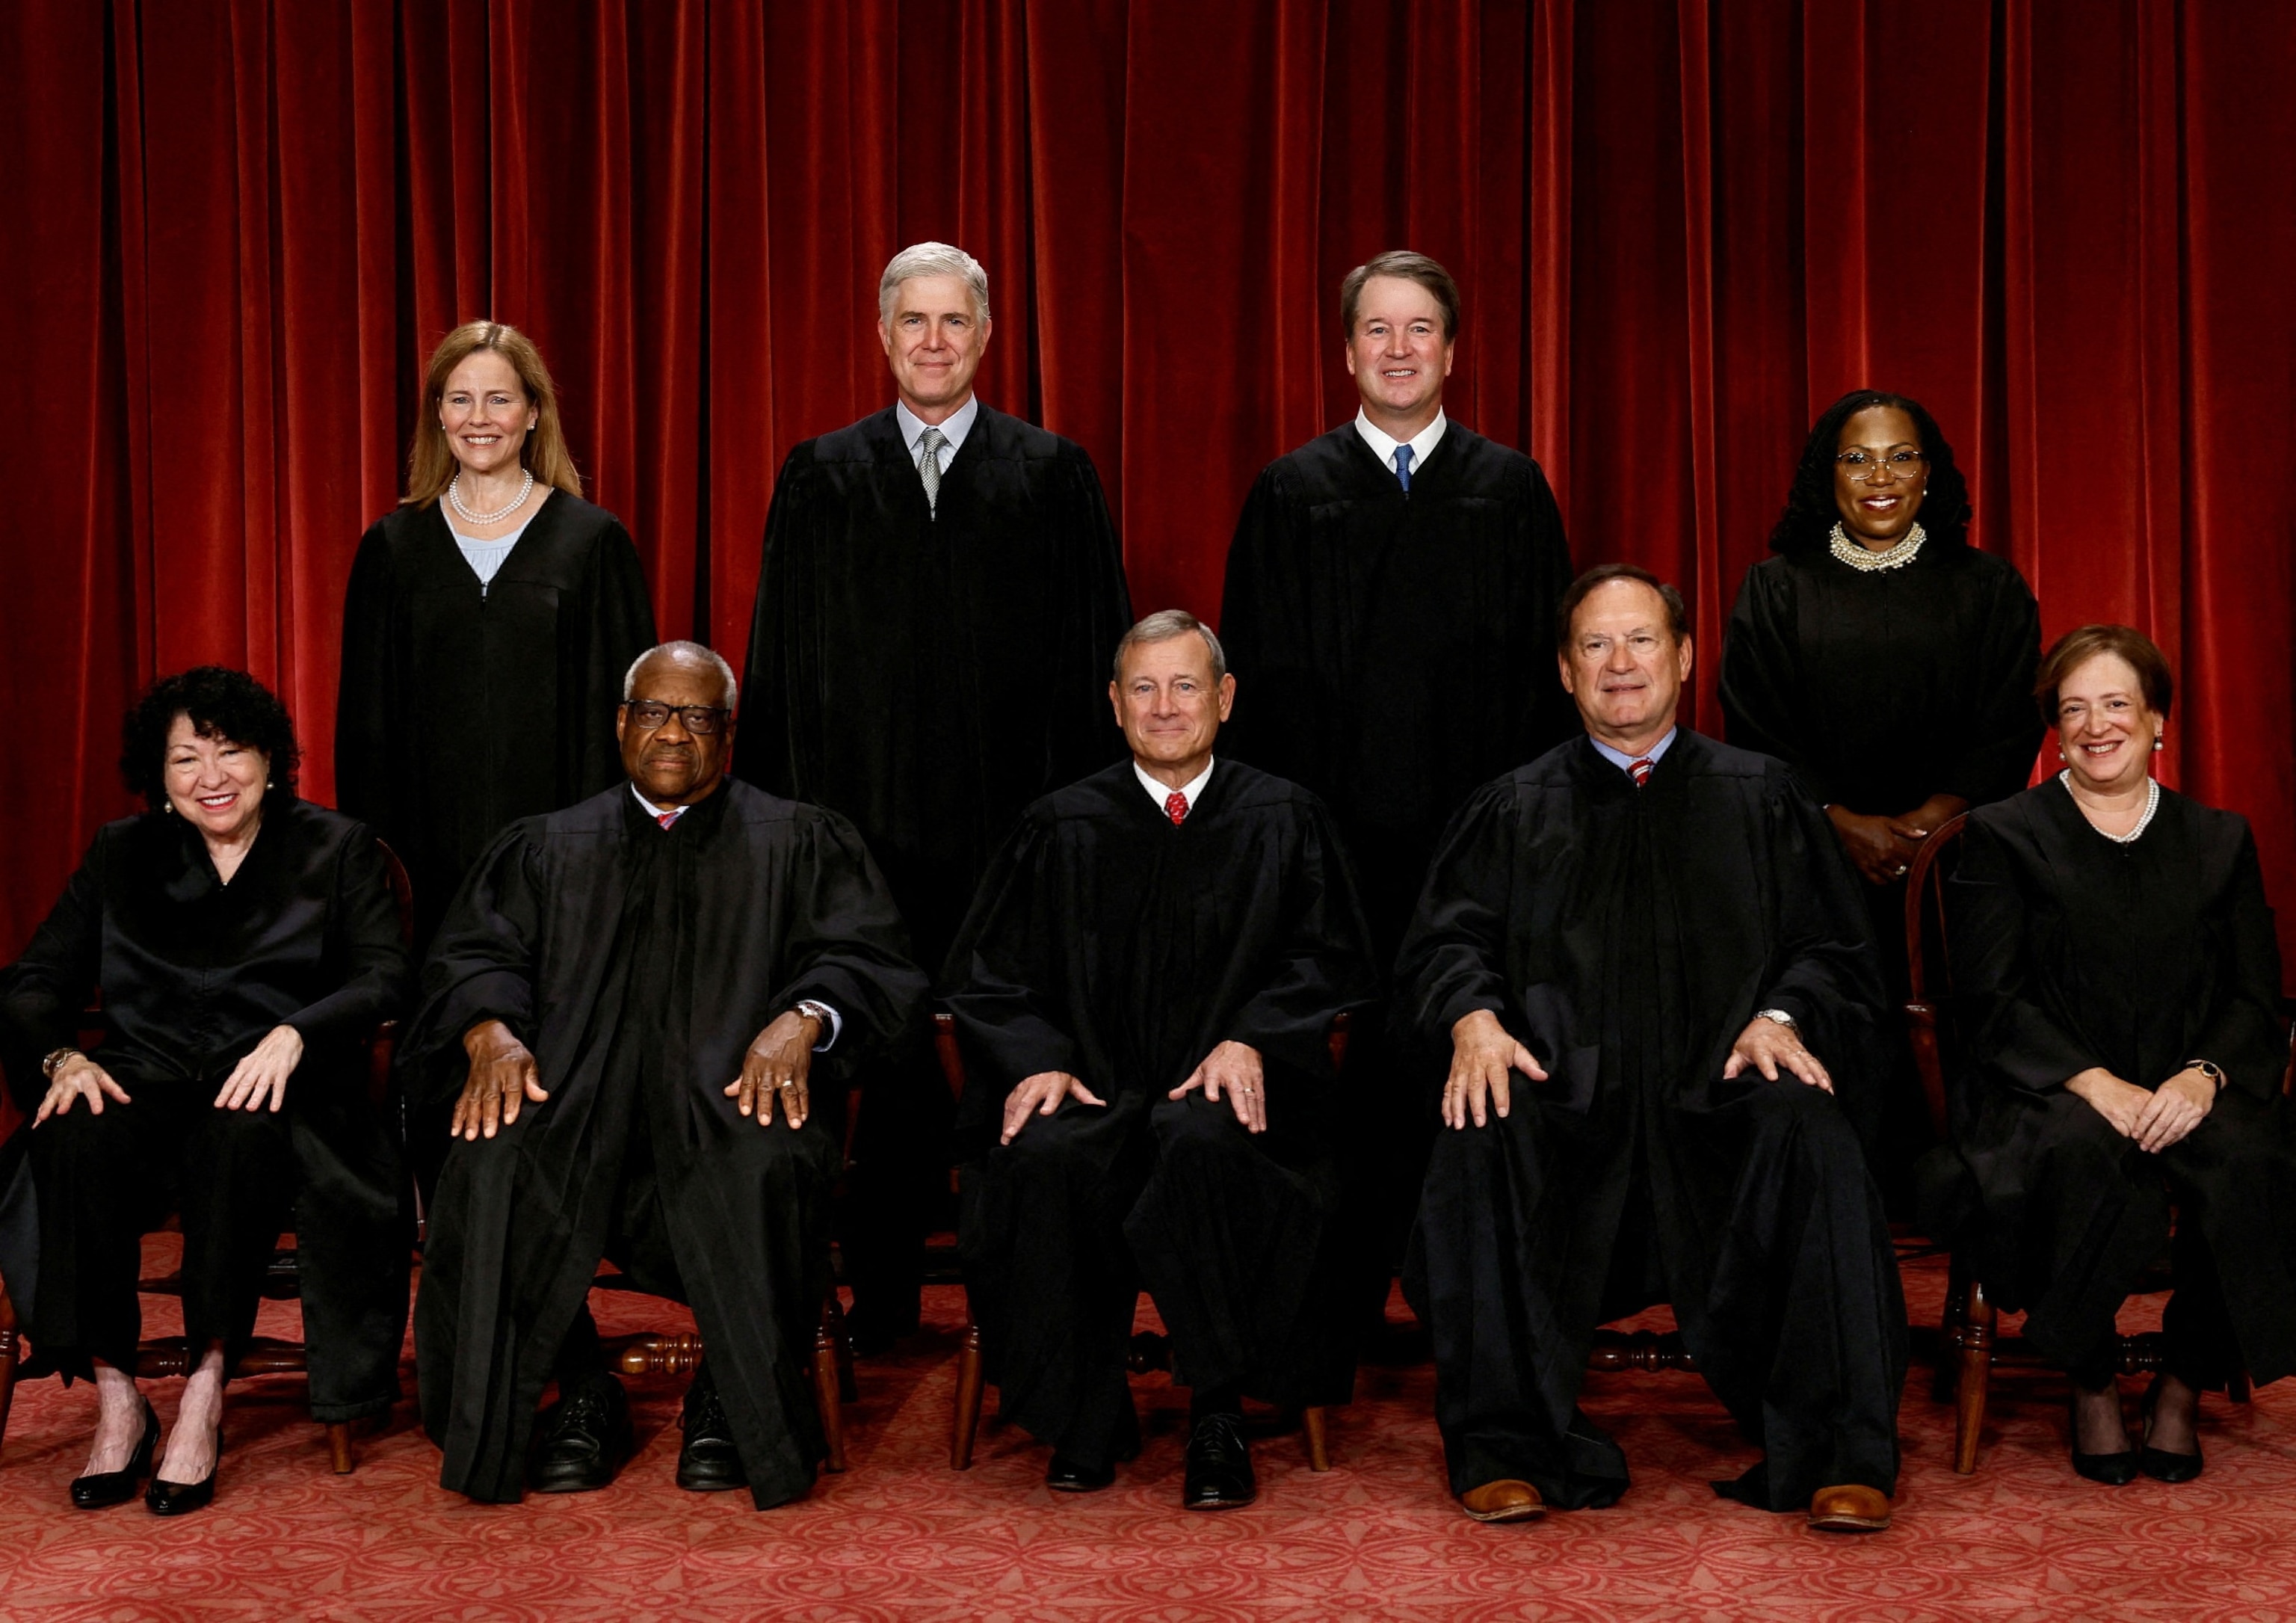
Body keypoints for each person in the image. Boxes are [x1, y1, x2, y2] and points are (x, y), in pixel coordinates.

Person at [1398, 564, 1905, 1532]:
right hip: (1563, 1091)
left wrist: (1784, 1017)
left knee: (1810, 1126)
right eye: (1595, 644)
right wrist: (1474, 1017)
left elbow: (1833, 949)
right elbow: (1445, 941)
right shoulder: (1514, 806)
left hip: (1722, 1090)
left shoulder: (1761, 797)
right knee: (1480, 1122)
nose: (1619, 663)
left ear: (1683, 656)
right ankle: (1504, 1443)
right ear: (1564, 668)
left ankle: (1842, 1447)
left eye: (1640, 641)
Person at [404, 641, 926, 1511]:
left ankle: (731, 1391)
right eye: (654, 711)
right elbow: (472, 954)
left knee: (768, 1163)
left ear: (728, 732)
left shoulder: (798, 839)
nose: (674, 733)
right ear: (622, 722)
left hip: (727, 1111)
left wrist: (806, 1017)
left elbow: (870, 960)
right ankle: (578, 1389)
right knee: (489, 1162)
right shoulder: (547, 846)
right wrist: (490, 1029)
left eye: (698, 715)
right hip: (573, 1113)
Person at [741, 242, 1132, 1347]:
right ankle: (879, 1299)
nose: (932, 340)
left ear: (986, 335)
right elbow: (777, 666)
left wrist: (1073, 833)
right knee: (881, 1058)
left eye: (953, 321)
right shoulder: (820, 473)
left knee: (1009, 1056)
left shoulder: (1052, 475)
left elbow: (1091, 663)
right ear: (880, 335)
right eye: (912, 321)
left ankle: (1020, 1312)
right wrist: (787, 837)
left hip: (1009, 834)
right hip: (860, 837)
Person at [944, 611, 1377, 1509]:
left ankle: (1218, 1409)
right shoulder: (1059, 825)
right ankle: (1084, 1412)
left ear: (1224, 698)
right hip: (1096, 1083)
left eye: (1185, 686)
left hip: (1230, 1094)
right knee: (1050, 1155)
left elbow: (1330, 960)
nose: (1165, 706)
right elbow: (987, 975)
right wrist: (1040, 1058)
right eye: (1144, 687)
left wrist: (1255, 1034)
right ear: (1113, 703)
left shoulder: (1284, 816)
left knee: (1205, 1144)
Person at [1218, 250, 1576, 1328]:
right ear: (1346, 351)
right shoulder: (1291, 493)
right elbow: (1259, 688)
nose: (1400, 349)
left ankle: (1469, 1294)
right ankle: (1327, 1300)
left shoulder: (1509, 490)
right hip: (1336, 847)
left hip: (1476, 848)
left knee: (1465, 1049)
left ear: (1454, 351)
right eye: (1379, 330)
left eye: (1421, 329)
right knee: (1343, 1070)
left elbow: (1549, 683)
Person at [0, 668, 411, 1516]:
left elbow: (384, 976)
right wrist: (59, 1061)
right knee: (70, 1132)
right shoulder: (123, 851)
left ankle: (204, 1387)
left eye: (231, 752)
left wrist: (299, 1030)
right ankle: (118, 1394)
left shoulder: (335, 848)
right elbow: (37, 979)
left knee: (237, 1131)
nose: (211, 776)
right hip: (147, 1074)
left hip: (275, 1084)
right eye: (186, 757)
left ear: (272, 759)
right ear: (160, 772)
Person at [1929, 625, 2296, 1485]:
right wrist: (2094, 1082)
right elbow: (1991, 998)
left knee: (2255, 1157)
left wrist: (2203, 1077)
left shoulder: (2219, 840)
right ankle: (2089, 1374)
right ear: (2056, 728)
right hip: (2049, 1083)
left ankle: (2181, 1376)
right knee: (2079, 1153)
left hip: (2187, 1078)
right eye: (2074, 708)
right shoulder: (2004, 833)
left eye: (2117, 704)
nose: (2097, 725)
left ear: (2158, 719)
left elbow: (2255, 994)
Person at [1720, 389, 2042, 1188]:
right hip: (1815, 860)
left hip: (1961, 867)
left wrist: (1935, 820)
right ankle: (1832, 1188)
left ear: (1929, 472)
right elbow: (1755, 723)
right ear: (1825, 474)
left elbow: (2011, 717)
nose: (1880, 475)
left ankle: (1962, 1189)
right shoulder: (1777, 588)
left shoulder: (1988, 587)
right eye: (1857, 456)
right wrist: (1838, 820)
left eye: (1901, 455)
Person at [337, 318, 656, 951]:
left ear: (533, 412)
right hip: (427, 860)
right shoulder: (394, 548)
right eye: (460, 399)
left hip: (565, 860)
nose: (479, 418)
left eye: (499, 398)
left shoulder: (591, 543)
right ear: (438, 414)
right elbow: (365, 726)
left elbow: (628, 716)